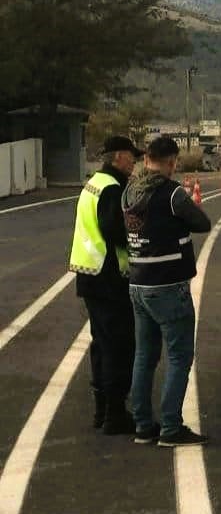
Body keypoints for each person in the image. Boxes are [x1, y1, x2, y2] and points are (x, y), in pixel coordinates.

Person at [122, 135, 212, 446]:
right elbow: (203, 222)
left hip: (137, 282)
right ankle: (171, 427)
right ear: (172, 161)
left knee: (144, 355)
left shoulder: (129, 191)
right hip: (169, 283)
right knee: (179, 355)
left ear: (146, 158)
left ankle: (143, 424)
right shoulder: (172, 193)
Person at [68, 135, 142, 435]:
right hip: (109, 276)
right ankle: (114, 414)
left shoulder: (93, 184)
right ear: (119, 157)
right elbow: (115, 230)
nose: (135, 162)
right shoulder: (113, 188)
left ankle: (101, 409)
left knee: (100, 343)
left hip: (89, 274)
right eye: (132, 156)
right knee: (119, 345)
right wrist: (139, 237)